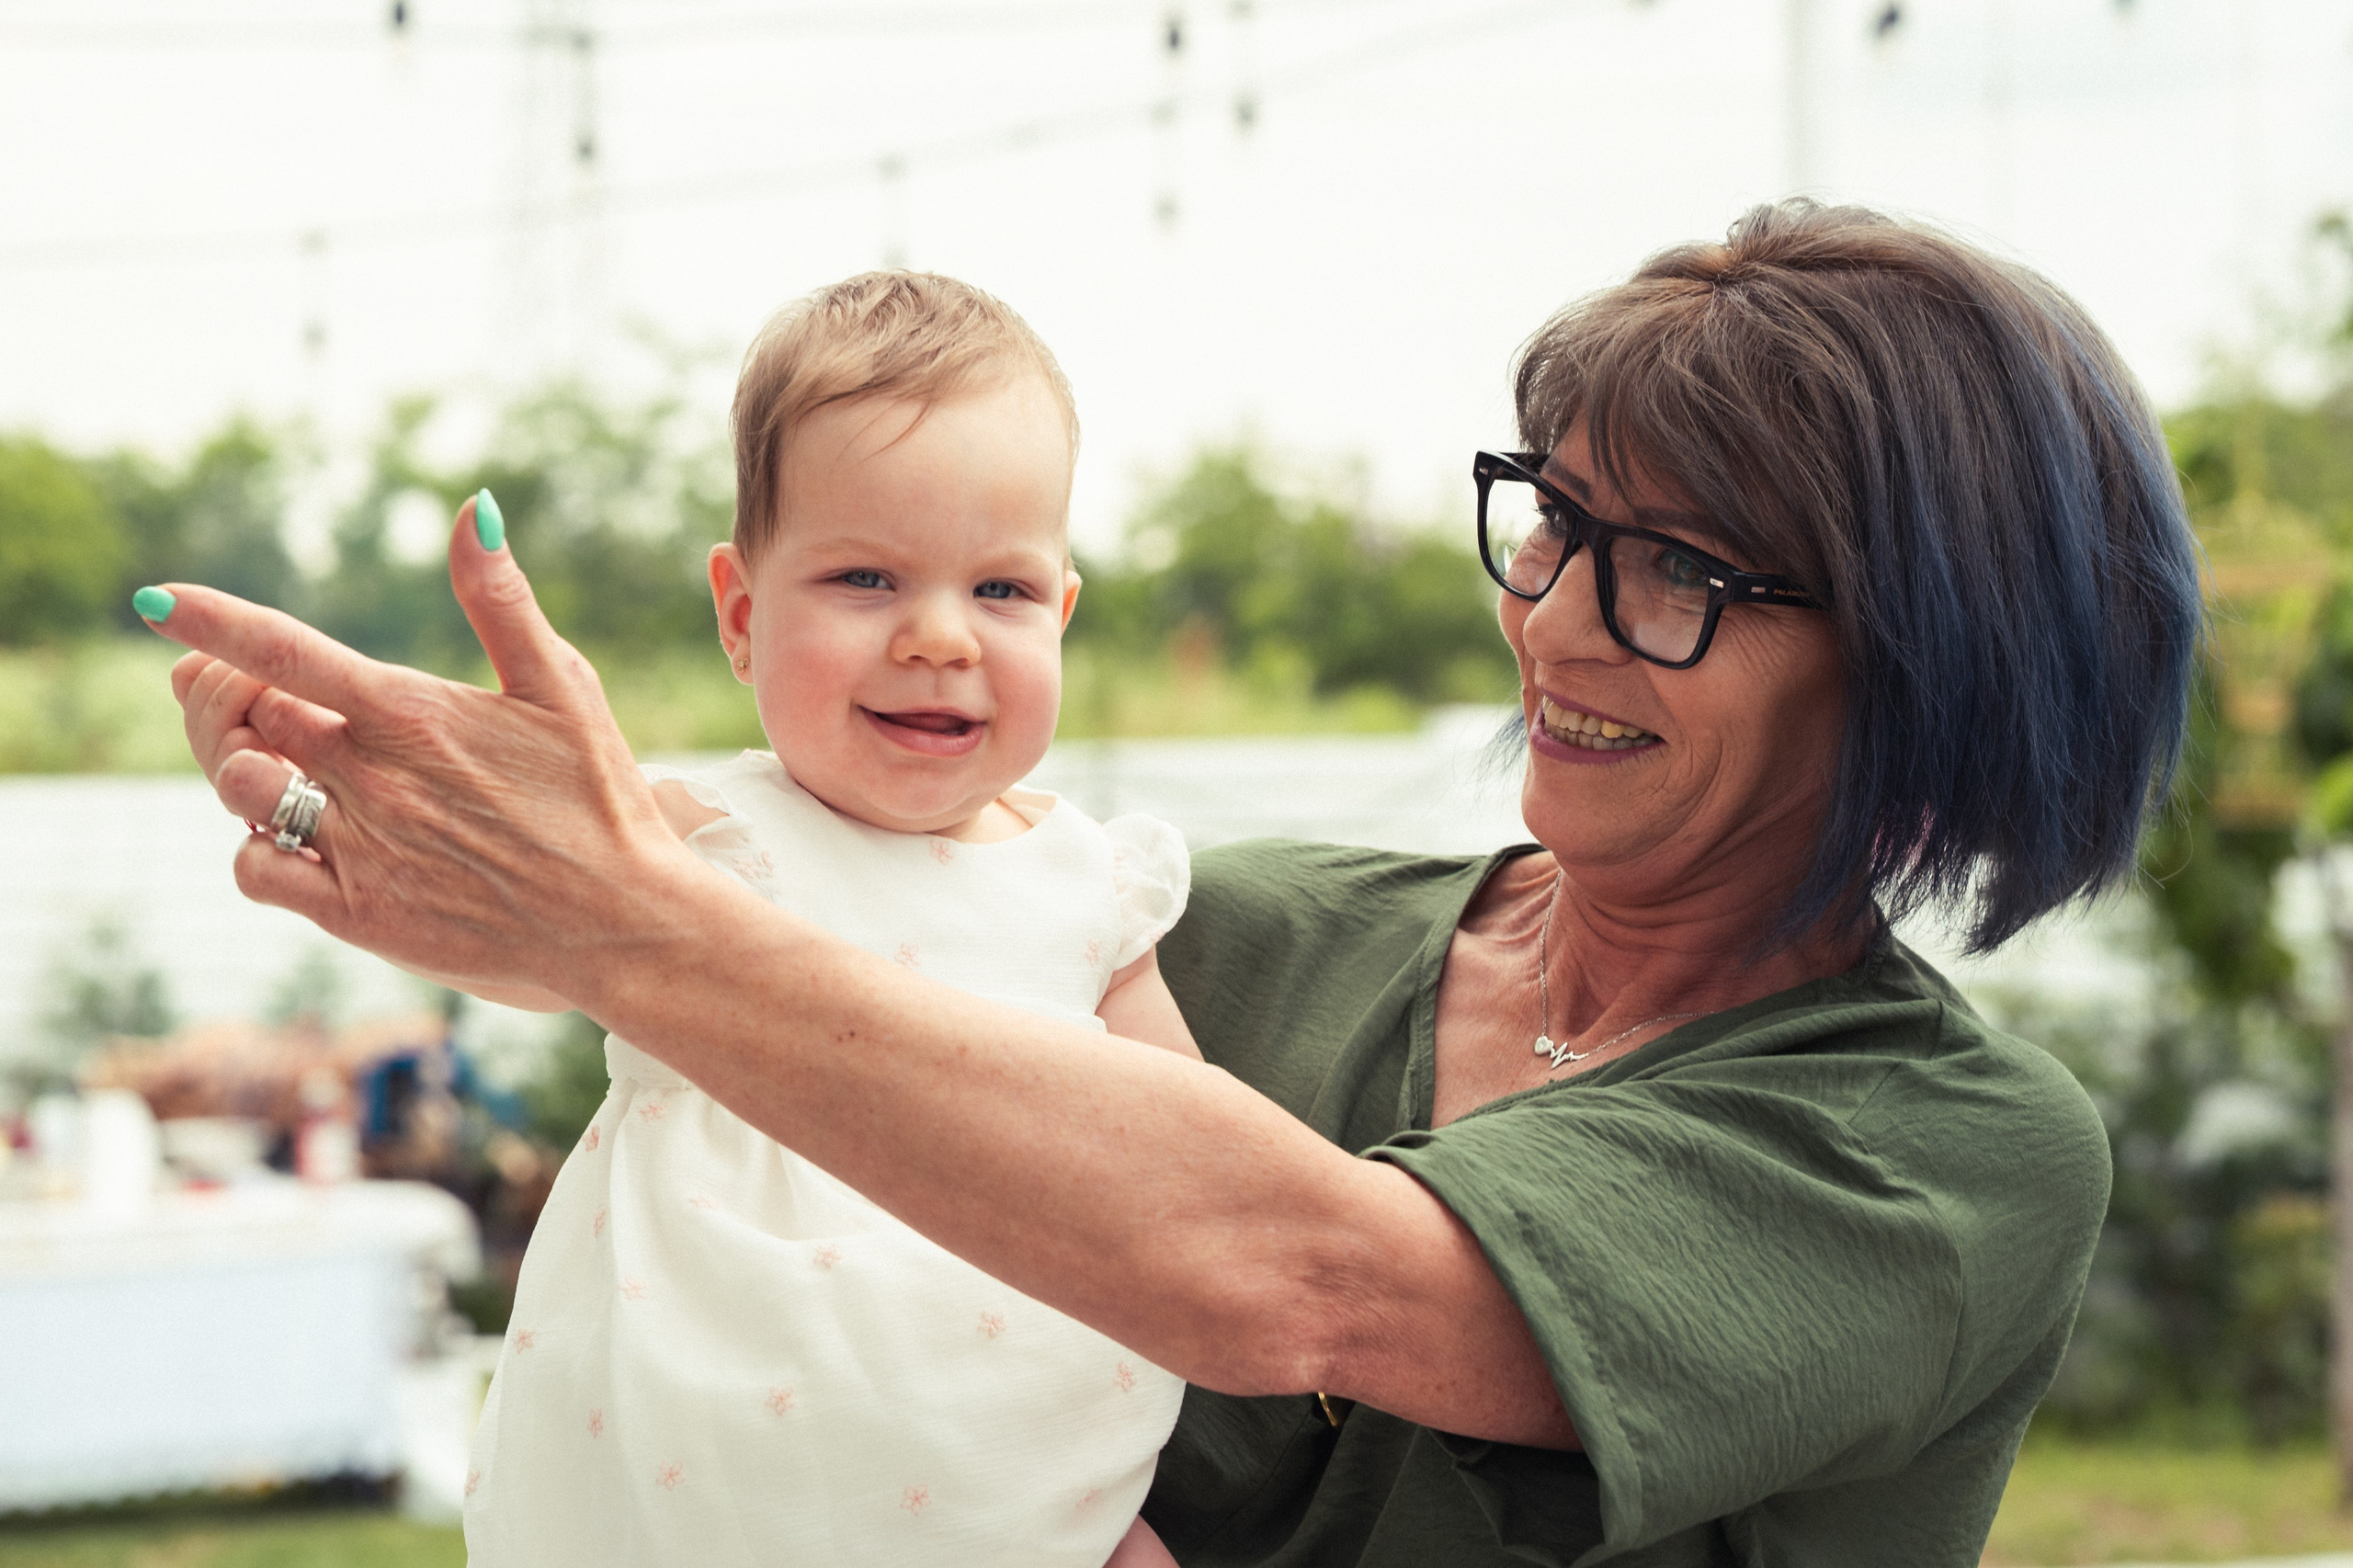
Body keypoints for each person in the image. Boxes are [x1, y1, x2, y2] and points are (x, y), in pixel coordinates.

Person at [148, 201, 2200, 1565]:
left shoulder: (1941, 1153)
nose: (1559, 620)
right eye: (1555, 523)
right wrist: (450, 850)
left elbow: (1303, 1280)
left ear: (1931, 661)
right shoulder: (1231, 922)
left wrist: (619, 912)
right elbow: (827, 940)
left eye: (1680, 571)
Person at [192, 274, 1201, 1567]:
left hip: (1031, 1482)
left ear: (1061, 610)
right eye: (866, 577)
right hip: (710, 1480)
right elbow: (518, 936)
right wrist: (351, 822)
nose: (940, 636)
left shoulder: (1094, 883)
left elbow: (1184, 1146)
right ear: (741, 613)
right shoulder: (696, 837)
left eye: (1000, 590)